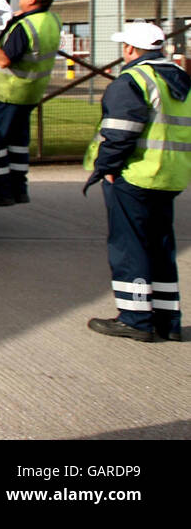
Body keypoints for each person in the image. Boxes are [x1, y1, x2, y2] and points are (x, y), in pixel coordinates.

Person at [83, 22, 187, 343]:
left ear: (130, 49)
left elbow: (119, 132)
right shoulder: (182, 81)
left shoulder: (133, 80)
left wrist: (105, 167)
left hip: (135, 175)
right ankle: (167, 320)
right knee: (161, 245)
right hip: (171, 175)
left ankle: (135, 318)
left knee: (130, 245)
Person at [0, 0, 60, 204]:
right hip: (29, 93)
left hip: (7, 93)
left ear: (32, 0)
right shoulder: (51, 20)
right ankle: (18, 189)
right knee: (18, 143)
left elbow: (4, 60)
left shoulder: (26, 26)